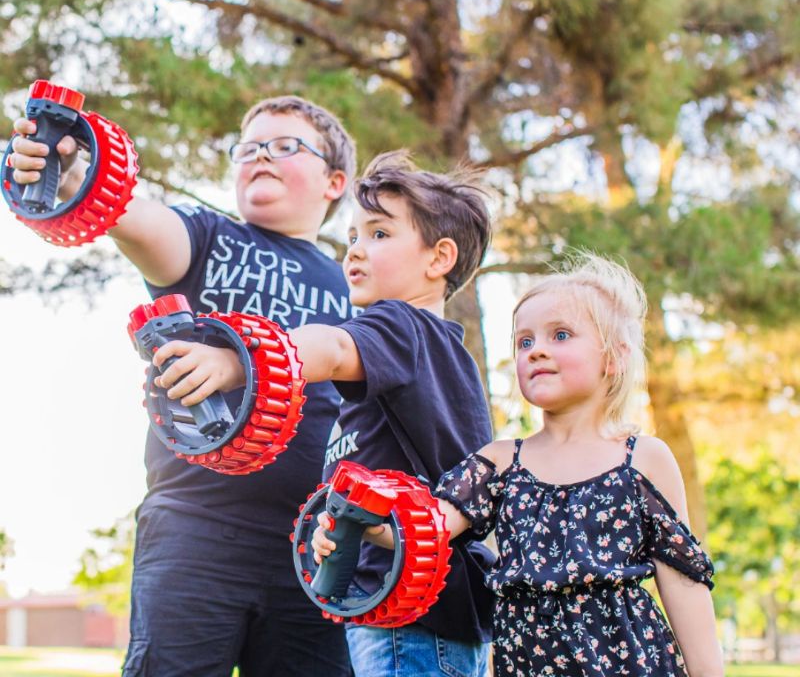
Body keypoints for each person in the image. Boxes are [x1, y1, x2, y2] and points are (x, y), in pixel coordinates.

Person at [10, 95, 358, 676]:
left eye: (285, 146)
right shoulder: (207, 236)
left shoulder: (355, 284)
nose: (261, 156)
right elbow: (127, 210)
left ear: (335, 181)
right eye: (248, 148)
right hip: (194, 529)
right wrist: (69, 168)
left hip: (314, 542)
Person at [152, 151, 496, 677]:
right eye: (353, 236)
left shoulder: (402, 325)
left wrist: (237, 363)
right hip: (401, 612)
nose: (355, 249)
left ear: (439, 258)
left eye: (378, 234)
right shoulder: (420, 352)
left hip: (412, 622)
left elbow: (330, 346)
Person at [317, 253, 725, 677]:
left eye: (561, 335)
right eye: (524, 342)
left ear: (614, 358)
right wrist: (359, 523)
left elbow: (683, 582)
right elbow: (426, 528)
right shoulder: (500, 462)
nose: (536, 351)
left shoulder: (643, 458)